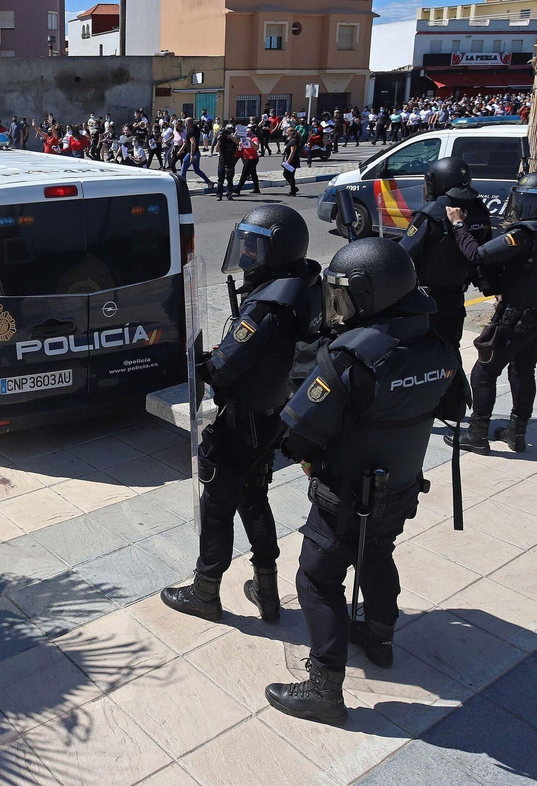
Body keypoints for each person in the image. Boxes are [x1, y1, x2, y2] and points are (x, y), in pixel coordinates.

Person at [265, 239, 463, 725]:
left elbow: (294, 436)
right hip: (400, 487)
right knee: (377, 553)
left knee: (317, 576)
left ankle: (324, 688)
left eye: (347, 294)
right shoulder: (438, 342)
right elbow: (457, 408)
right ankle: (379, 636)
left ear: (371, 296)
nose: (339, 304)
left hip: (345, 492)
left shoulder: (351, 356)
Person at [162, 204, 321, 624]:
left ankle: (204, 591)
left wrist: (200, 363)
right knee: (255, 499)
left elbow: (225, 367)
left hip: (242, 421)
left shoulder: (266, 304)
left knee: (217, 507)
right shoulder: (302, 284)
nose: (246, 253)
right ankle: (266, 590)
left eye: (255, 246)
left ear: (277, 250)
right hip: (272, 416)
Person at [446, 171, 537, 454]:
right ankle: (516, 432)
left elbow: (477, 255)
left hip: (514, 317)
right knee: (524, 371)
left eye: (532, 201)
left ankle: (477, 434)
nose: (525, 207)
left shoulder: (526, 234)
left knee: (484, 372)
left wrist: (459, 224)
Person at [399, 157, 492, 349]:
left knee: (423, 349)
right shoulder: (479, 211)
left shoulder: (431, 214)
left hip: (426, 299)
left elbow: (404, 254)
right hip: (456, 295)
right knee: (451, 347)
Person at [213, 125, 239, 200]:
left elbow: (237, 142)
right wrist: (218, 140)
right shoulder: (222, 140)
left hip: (230, 163)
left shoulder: (233, 139)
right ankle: (219, 195)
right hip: (222, 163)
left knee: (230, 179)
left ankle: (229, 194)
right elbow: (217, 149)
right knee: (220, 180)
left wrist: (230, 137)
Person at [281, 125, 303, 196]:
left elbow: (292, 152)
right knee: (287, 175)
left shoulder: (294, 141)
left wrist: (288, 161)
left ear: (291, 133)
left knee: (289, 175)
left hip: (292, 160)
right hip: (289, 159)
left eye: (287, 131)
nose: (286, 132)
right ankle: (293, 188)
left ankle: (293, 190)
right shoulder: (290, 139)